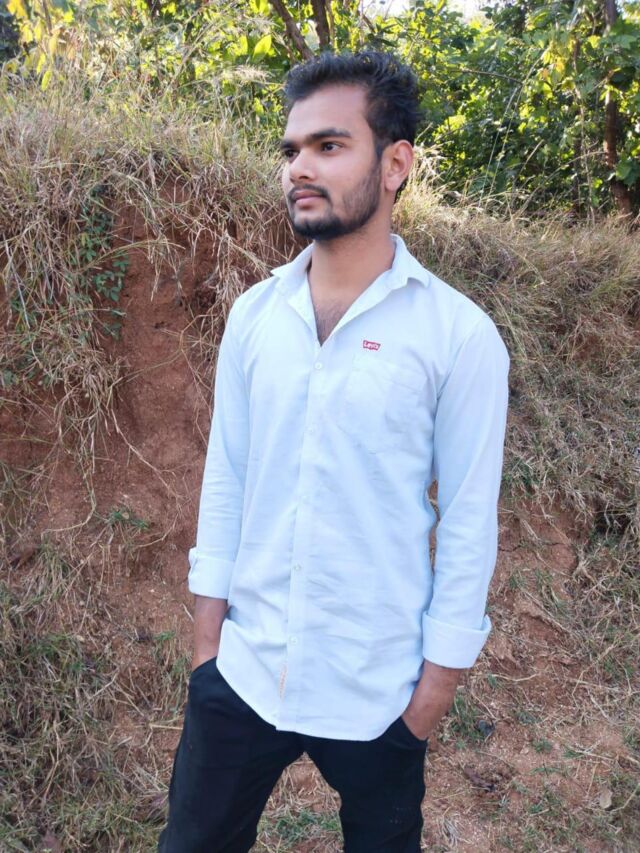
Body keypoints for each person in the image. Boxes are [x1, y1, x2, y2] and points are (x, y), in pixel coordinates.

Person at [158, 50, 510, 853]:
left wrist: (432, 693)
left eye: (328, 145)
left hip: (378, 690)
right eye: (291, 150)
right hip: (244, 672)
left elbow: (467, 520)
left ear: (395, 164)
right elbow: (228, 474)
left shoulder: (458, 336)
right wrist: (209, 649)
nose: (299, 169)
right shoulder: (255, 316)